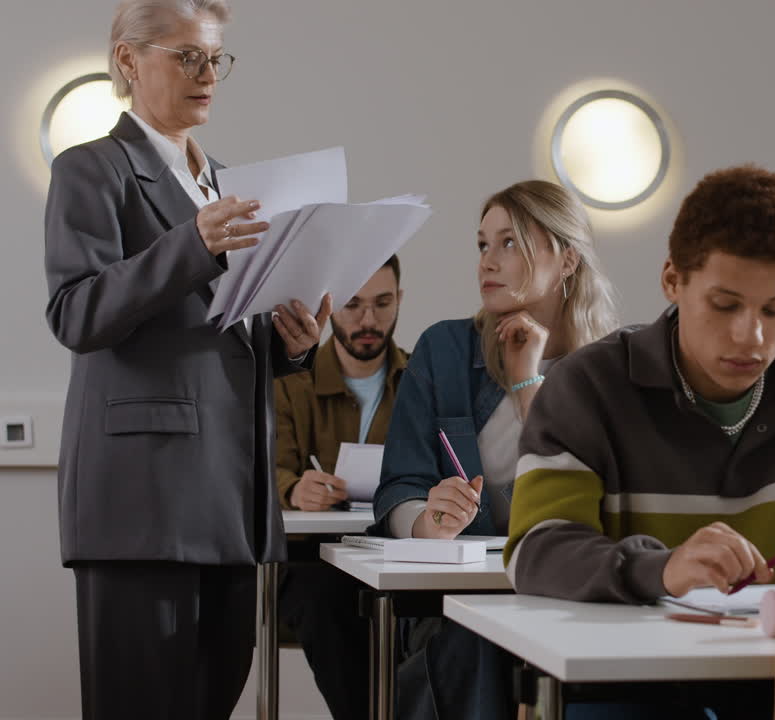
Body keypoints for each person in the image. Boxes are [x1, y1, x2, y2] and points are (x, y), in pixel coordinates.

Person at [505, 165, 775, 718]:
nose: (749, 337)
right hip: (631, 684)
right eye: (725, 304)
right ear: (672, 281)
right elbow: (536, 549)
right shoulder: (587, 385)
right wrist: (660, 569)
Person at [43, 2, 331, 718]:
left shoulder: (230, 183)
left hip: (232, 499)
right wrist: (192, 245)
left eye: (214, 58)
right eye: (187, 56)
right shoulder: (90, 169)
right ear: (128, 59)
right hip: (144, 503)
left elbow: (221, 333)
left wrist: (291, 346)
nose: (207, 75)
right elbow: (76, 313)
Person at [372, 179, 618, 719]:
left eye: (510, 243)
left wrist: (527, 381)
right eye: (483, 244)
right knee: (471, 642)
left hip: (569, 592)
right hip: (462, 600)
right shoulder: (444, 349)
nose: (487, 261)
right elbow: (400, 485)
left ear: (567, 259)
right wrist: (428, 522)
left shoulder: (609, 368)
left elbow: (597, 501)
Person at [273, 256, 408, 720]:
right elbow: (262, 466)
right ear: (329, 305)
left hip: (397, 558)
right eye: (353, 305)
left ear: (400, 301)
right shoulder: (292, 380)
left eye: (382, 303)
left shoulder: (419, 379)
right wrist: (294, 489)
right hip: (309, 563)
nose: (368, 320)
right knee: (328, 597)